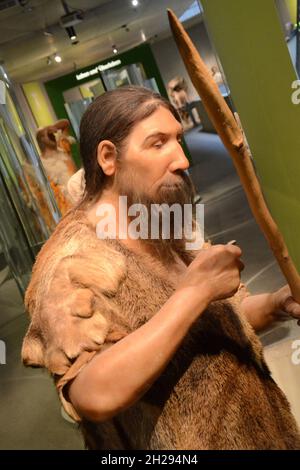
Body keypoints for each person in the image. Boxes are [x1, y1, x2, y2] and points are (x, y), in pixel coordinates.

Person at [22, 86, 300, 450]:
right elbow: (91, 393)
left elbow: (222, 318)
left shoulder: (163, 221)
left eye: (178, 140)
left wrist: (276, 306)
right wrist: (195, 292)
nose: (182, 159)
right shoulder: (72, 260)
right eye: (157, 143)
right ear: (108, 157)